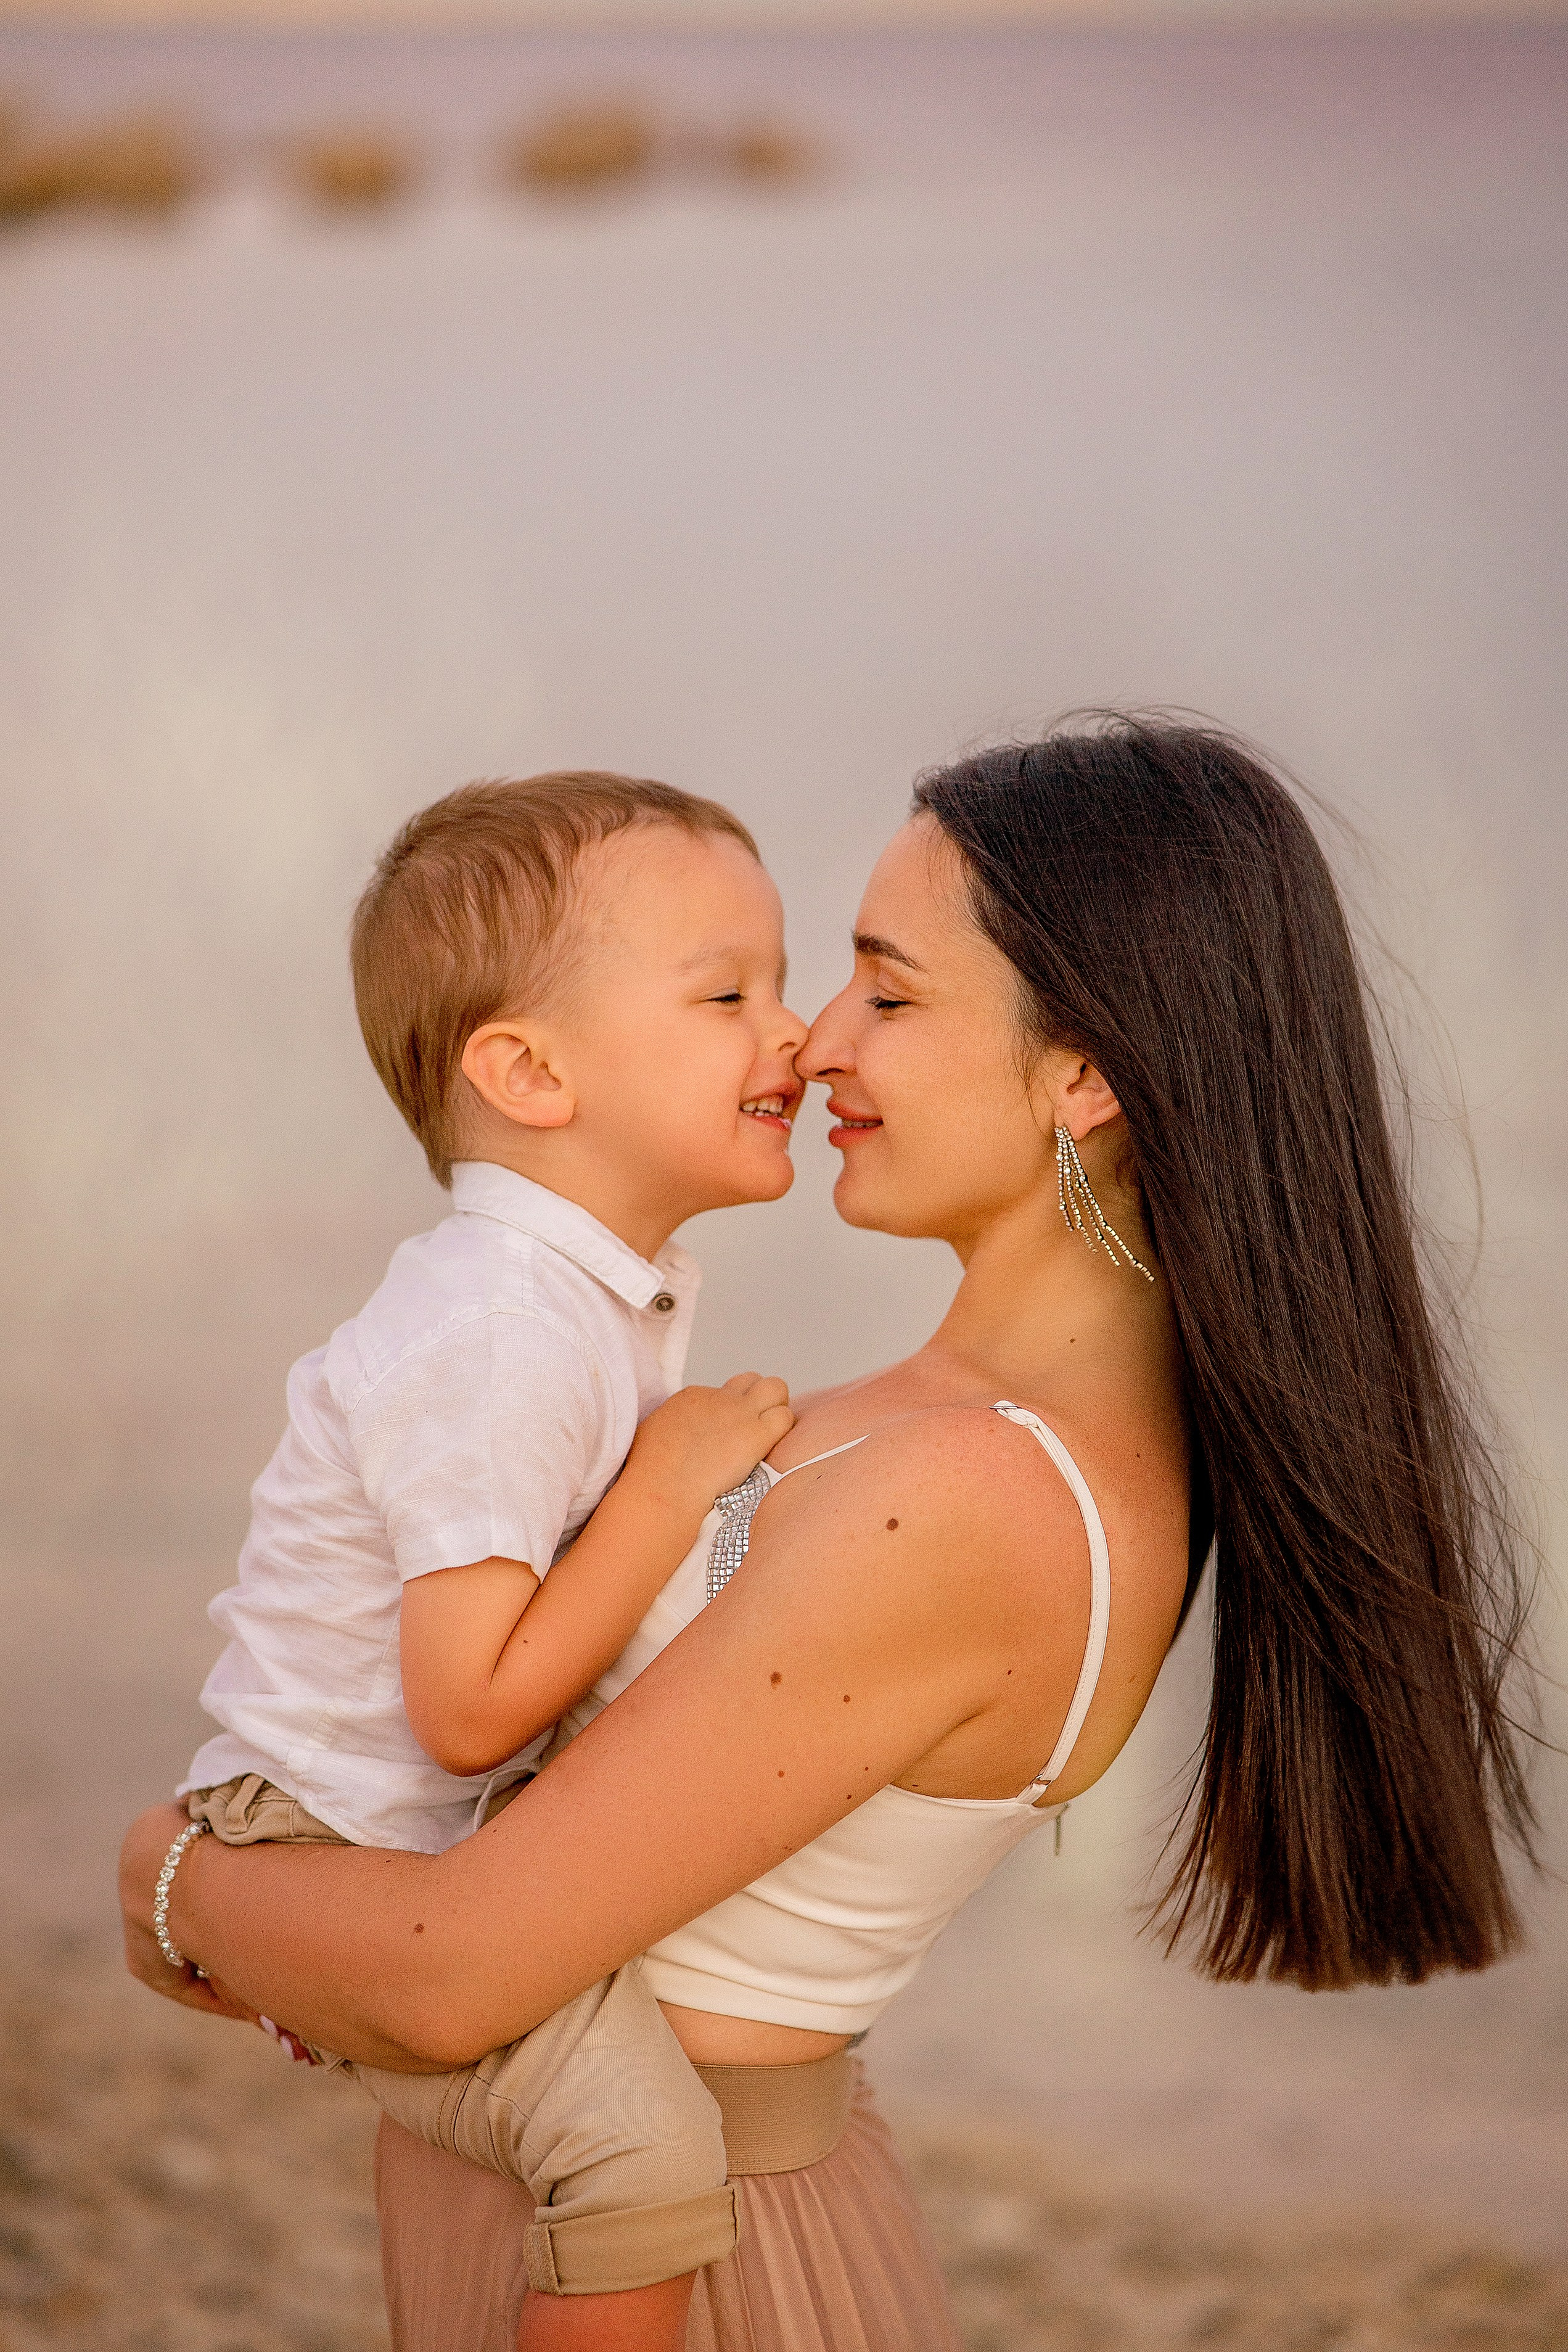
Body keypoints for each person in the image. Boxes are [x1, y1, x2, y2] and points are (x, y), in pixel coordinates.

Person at [123, 717, 1533, 2352]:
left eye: (888, 987)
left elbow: (449, 1972)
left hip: (695, 2258)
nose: (815, 1045)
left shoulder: (972, 1496)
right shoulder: (915, 1421)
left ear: (1088, 1071)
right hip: (556, 2208)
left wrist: (171, 1877)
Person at [167, 768, 815, 2350]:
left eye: (782, 983)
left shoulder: (580, 1297)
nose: (794, 1033)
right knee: (642, 2155)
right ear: (527, 1072)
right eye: (729, 991)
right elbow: (464, 1707)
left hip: (401, 1825)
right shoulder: (497, 1328)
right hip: (336, 1835)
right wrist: (668, 1490)